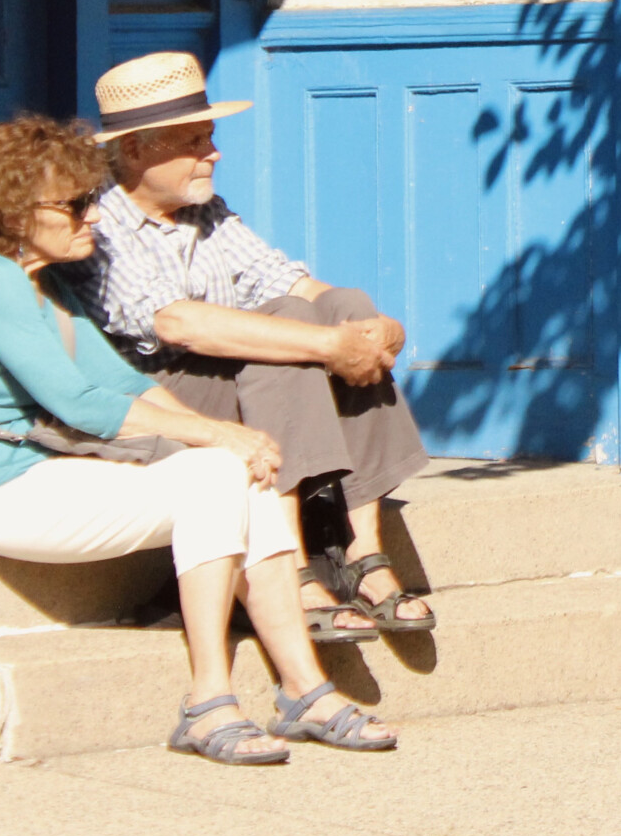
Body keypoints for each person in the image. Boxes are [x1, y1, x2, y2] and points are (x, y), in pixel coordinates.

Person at [0, 115, 396, 762]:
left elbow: (125, 382)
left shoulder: (46, 282)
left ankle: (306, 690)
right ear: (19, 211)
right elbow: (76, 400)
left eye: (92, 201)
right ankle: (209, 698)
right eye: (76, 205)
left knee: (232, 470)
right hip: (2, 490)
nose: (94, 218)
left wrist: (229, 442)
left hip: (57, 478)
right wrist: (214, 432)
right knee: (220, 466)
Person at [62, 52, 434, 643]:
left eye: (209, 136)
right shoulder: (103, 223)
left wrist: (373, 329)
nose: (214, 153)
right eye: (193, 141)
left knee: (346, 305)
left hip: (226, 376)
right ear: (135, 150)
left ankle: (363, 551)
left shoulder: (203, 211)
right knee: (286, 341)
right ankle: (288, 563)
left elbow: (290, 280)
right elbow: (180, 325)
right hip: (162, 396)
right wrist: (327, 344)